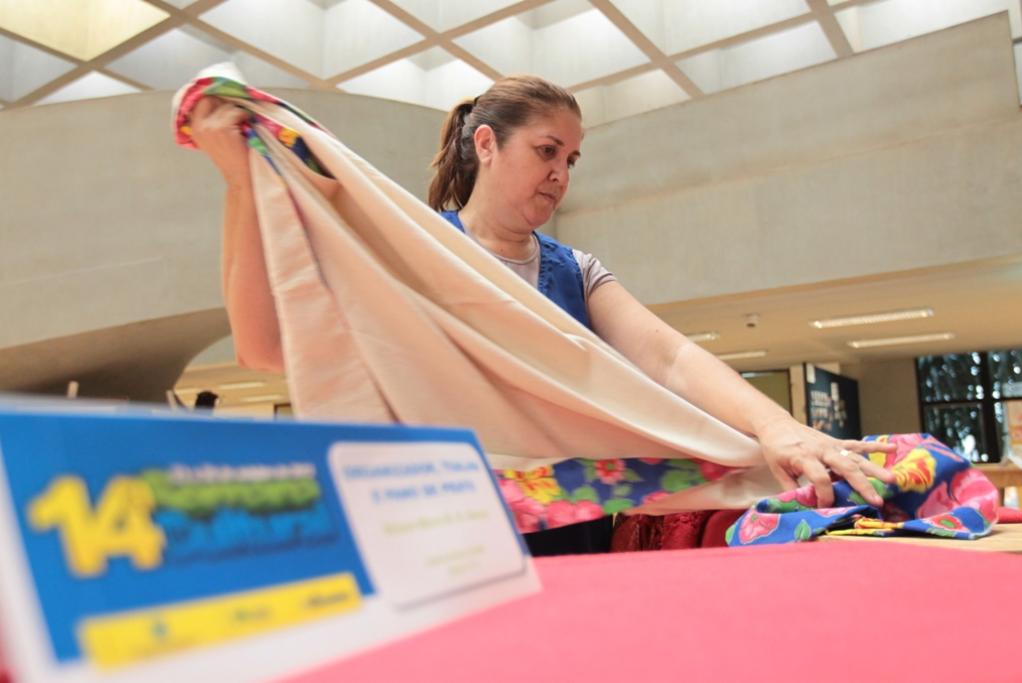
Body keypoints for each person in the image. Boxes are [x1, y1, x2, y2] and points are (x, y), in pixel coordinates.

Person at [189, 75, 896, 556]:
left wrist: (777, 427)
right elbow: (261, 347)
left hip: (571, 532)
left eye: (572, 159)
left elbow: (668, 356)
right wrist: (239, 183)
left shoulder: (577, 271)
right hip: (443, 536)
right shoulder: (413, 253)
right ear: (486, 145)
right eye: (546, 151)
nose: (561, 173)